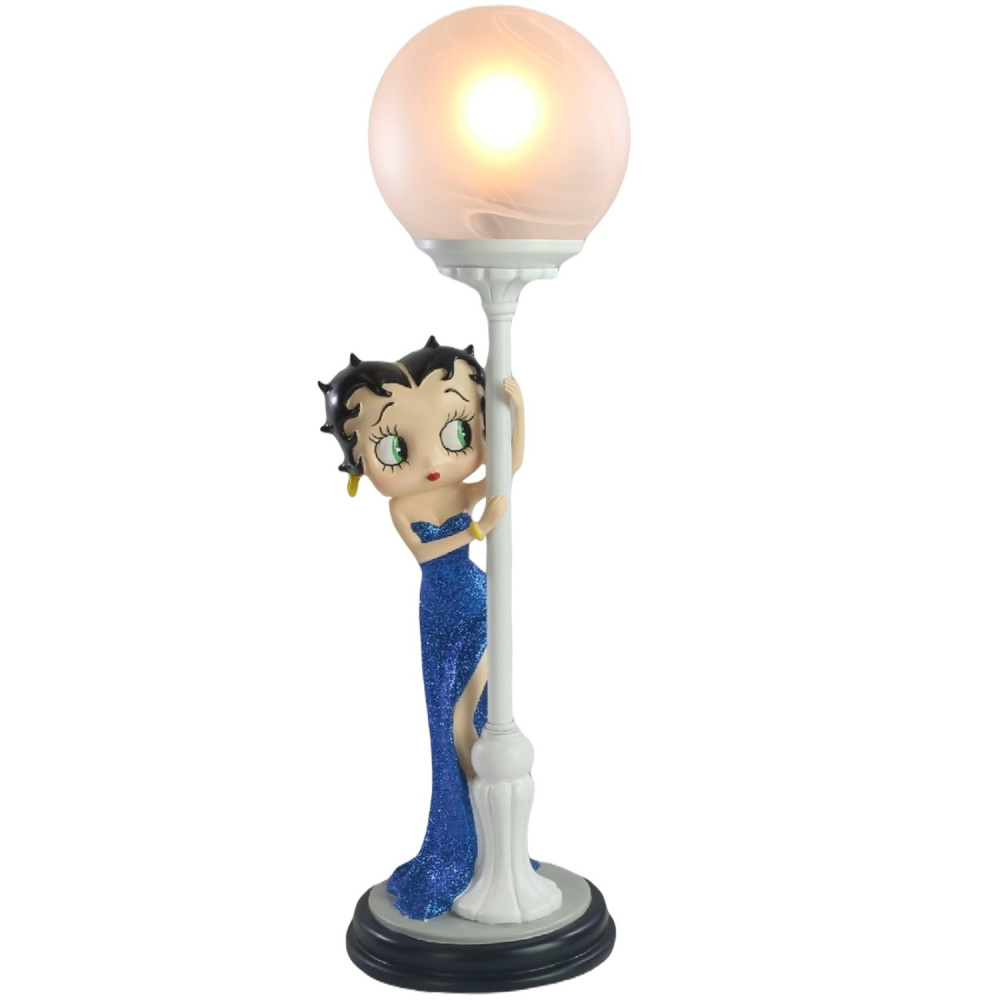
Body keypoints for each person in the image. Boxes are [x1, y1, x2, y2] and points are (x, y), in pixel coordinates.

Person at [319, 337, 524, 919]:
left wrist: (519, 413)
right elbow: (430, 553)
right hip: (440, 611)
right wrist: (478, 529)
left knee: (486, 717)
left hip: (480, 604)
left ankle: (497, 842)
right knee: (450, 723)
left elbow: (508, 470)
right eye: (395, 446)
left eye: (455, 431)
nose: (433, 458)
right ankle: (465, 842)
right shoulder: (404, 507)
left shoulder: (459, 488)